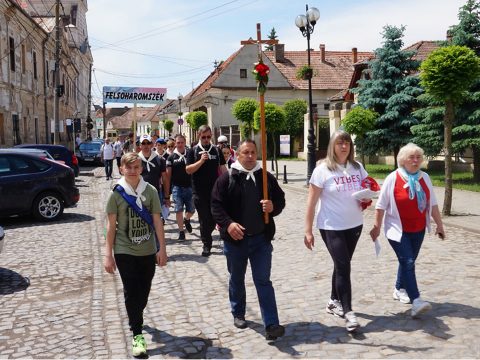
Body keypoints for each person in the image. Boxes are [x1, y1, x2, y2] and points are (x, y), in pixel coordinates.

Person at [211, 139, 286, 341]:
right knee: (237, 278)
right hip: (236, 241)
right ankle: (238, 312)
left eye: (253, 152)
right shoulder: (227, 178)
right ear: (239, 155)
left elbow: (280, 200)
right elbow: (216, 206)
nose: (250, 156)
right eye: (246, 152)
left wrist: (273, 207)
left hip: (261, 239)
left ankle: (271, 323)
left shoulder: (266, 177)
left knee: (263, 280)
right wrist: (228, 224)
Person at [304, 130, 370, 332]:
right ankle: (349, 312)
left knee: (342, 264)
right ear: (332, 145)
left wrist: (367, 197)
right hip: (331, 225)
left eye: (347, 143)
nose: (344, 147)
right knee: (343, 266)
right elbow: (311, 201)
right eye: (340, 143)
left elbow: (367, 189)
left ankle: (334, 301)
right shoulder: (323, 170)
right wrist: (308, 230)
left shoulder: (357, 167)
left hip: (354, 224)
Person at [369, 143, 445, 318]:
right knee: (408, 261)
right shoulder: (393, 178)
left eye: (418, 157)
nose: (416, 160)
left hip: (418, 229)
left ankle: (399, 288)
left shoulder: (424, 177)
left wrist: (439, 225)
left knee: (407, 262)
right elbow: (380, 206)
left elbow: (432, 204)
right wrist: (377, 227)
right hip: (397, 229)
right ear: (402, 160)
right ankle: (416, 300)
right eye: (411, 157)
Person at [104, 152, 167, 358]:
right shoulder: (116, 193)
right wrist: (108, 254)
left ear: (141, 169)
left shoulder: (150, 191)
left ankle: (135, 314)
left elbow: (157, 220)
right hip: (124, 250)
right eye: (128, 168)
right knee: (132, 290)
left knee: (144, 290)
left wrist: (162, 248)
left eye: (136, 167)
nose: (132, 171)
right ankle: (137, 335)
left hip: (147, 249)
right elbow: (110, 226)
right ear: (121, 169)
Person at [186, 125, 226, 257]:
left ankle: (207, 235)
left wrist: (230, 182)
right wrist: (201, 161)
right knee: (204, 218)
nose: (206, 139)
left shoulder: (216, 150)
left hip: (215, 190)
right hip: (199, 191)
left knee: (214, 217)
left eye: (209, 137)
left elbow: (222, 169)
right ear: (199, 136)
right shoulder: (193, 151)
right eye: (204, 137)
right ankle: (207, 244)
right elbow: (188, 170)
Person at [166, 134, 195, 240]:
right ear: (175, 143)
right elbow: (168, 176)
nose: (180, 144)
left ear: (185, 142)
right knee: (178, 210)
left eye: (182, 142)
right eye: (178, 142)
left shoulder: (190, 155)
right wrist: (167, 193)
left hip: (190, 187)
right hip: (177, 187)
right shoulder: (171, 157)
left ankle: (186, 219)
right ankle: (181, 231)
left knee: (192, 210)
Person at [138, 135, 171, 212]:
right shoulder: (136, 159)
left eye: (148, 143)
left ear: (152, 144)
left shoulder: (159, 159)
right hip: (139, 194)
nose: (146, 145)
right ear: (140, 145)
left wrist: (167, 197)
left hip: (155, 194)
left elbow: (165, 178)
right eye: (143, 143)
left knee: (157, 219)